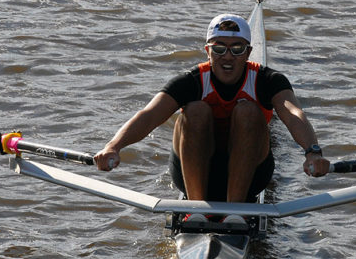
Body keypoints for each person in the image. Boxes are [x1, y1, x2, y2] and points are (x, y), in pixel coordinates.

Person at [93, 13, 330, 208]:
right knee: (195, 110)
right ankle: (196, 210)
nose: (228, 56)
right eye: (219, 49)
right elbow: (149, 115)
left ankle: (235, 212)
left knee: (248, 111)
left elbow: (293, 113)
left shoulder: (268, 80)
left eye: (237, 49)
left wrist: (313, 151)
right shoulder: (192, 80)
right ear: (207, 51)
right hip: (194, 170)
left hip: (250, 172)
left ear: (248, 53)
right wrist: (113, 147)